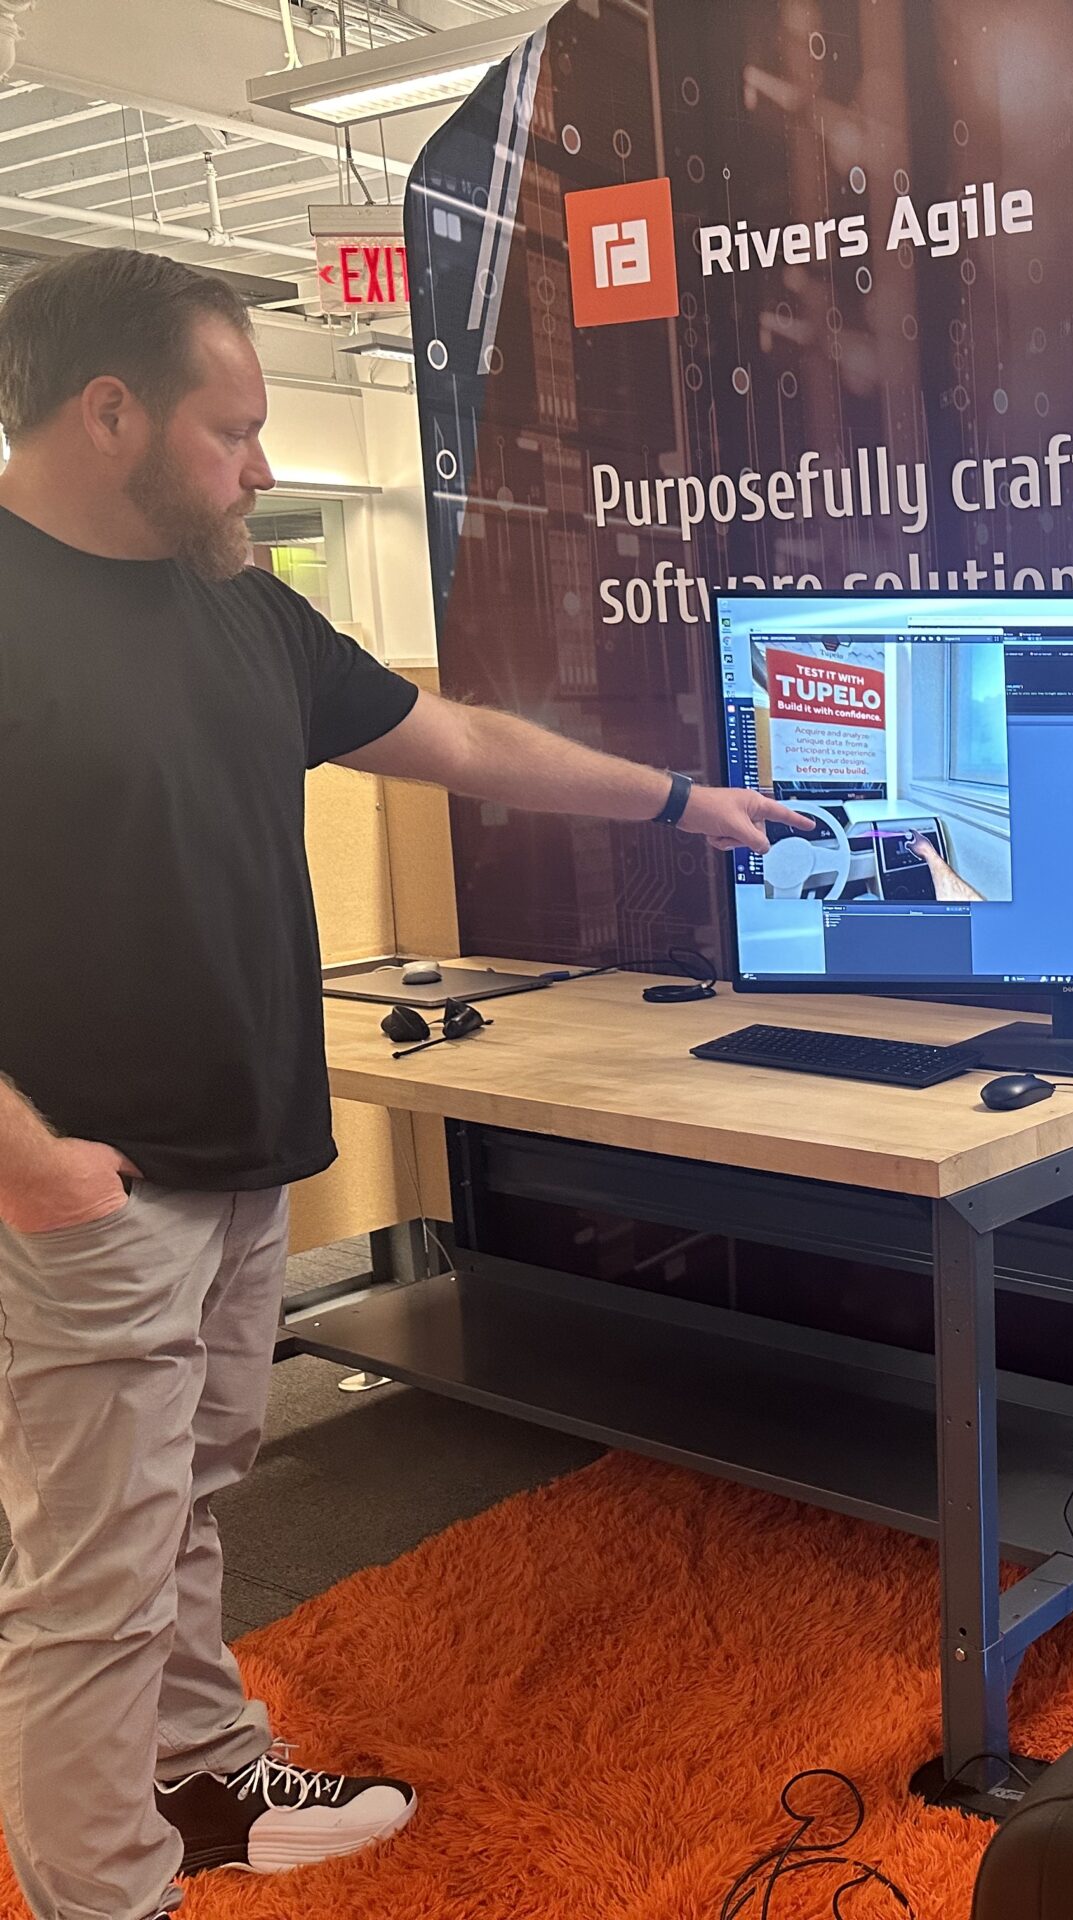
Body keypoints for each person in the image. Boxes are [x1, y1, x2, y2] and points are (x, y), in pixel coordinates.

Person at [0, 248, 808, 1920]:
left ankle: (210, 1778)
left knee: (198, 1498)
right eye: (235, 430)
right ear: (108, 413)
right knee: (85, 1589)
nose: (264, 468)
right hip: (87, 1198)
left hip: (237, 1166)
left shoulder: (233, 599)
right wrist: (32, 1170)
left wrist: (680, 804)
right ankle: (107, 1899)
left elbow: (461, 745)